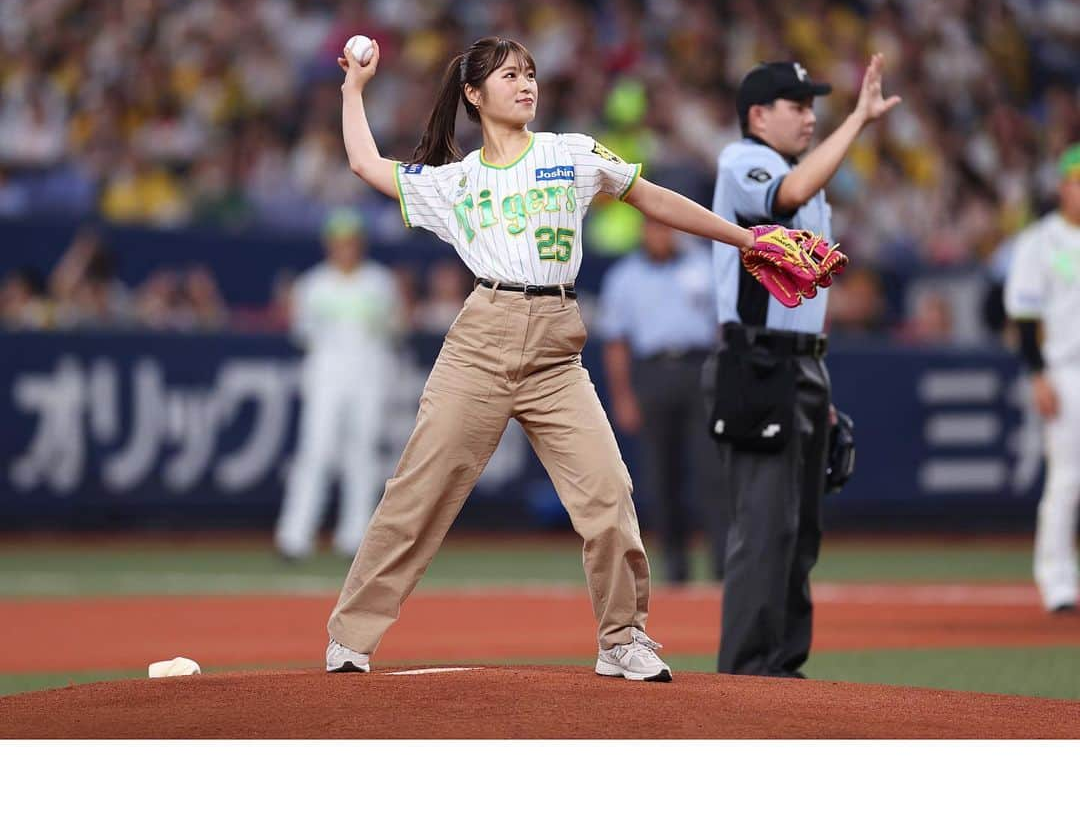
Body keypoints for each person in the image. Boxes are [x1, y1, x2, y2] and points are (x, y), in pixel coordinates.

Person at [324, 35, 812, 683]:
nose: (525, 84)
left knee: (610, 494)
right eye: (507, 76)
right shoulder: (457, 181)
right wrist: (353, 91)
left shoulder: (571, 153)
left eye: (529, 73)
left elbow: (651, 197)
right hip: (482, 343)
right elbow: (364, 163)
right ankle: (351, 637)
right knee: (417, 495)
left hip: (557, 350)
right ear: (473, 94)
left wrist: (746, 238)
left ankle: (623, 638)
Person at [708, 55, 900, 677]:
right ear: (758, 116)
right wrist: (858, 123)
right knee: (764, 531)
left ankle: (784, 668)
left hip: (801, 365)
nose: (811, 116)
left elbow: (809, 291)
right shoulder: (744, 161)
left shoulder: (806, 175)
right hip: (756, 361)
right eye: (798, 106)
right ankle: (745, 674)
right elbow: (786, 195)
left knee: (800, 533)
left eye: (813, 105)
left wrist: (823, 387)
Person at [597, 218, 727, 584]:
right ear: (643, 232)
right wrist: (623, 396)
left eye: (666, 228)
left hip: (699, 368)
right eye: (654, 228)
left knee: (712, 473)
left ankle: (723, 565)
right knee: (661, 476)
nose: (660, 235)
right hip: (652, 373)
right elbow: (616, 342)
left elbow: (724, 326)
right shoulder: (624, 277)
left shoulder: (701, 265)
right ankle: (675, 567)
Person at [274, 208, 402, 560]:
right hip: (327, 373)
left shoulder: (380, 282)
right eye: (338, 242)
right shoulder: (312, 285)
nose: (345, 248)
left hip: (370, 372)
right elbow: (303, 334)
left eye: (351, 241)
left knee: (362, 453)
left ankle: (355, 538)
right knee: (316, 450)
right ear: (329, 244)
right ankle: (294, 537)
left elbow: (394, 328)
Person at [1003, 145, 1080, 614]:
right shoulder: (1040, 241)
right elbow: (1025, 318)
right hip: (1066, 370)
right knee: (1068, 477)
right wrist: (1037, 375)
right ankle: (1057, 581)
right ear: (1063, 185)